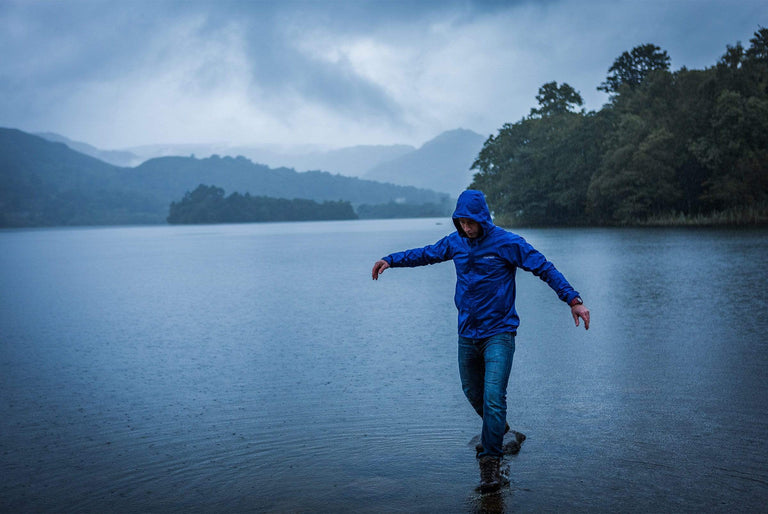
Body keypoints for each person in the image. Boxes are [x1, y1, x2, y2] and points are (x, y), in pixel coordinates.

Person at [371, 189, 590, 492]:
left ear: (482, 219)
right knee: (472, 391)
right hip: (467, 334)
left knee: (493, 395)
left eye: (470, 222)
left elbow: (544, 267)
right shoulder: (455, 242)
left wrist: (573, 300)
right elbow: (425, 253)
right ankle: (502, 431)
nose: (466, 228)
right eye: (461, 222)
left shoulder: (507, 243)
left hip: (499, 333)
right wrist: (390, 260)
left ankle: (490, 466)